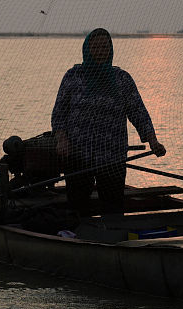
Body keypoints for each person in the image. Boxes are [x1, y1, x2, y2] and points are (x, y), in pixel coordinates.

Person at [51, 28, 166, 214]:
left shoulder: (122, 79)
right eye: (95, 46)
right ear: (87, 49)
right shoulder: (73, 76)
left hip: (112, 157)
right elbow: (59, 113)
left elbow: (138, 112)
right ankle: (76, 236)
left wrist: (153, 140)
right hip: (79, 154)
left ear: (111, 49)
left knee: (113, 205)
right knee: (77, 205)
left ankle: (112, 237)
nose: (100, 50)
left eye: (105, 46)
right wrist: (61, 140)